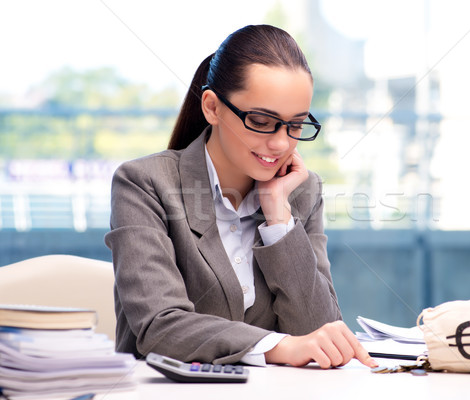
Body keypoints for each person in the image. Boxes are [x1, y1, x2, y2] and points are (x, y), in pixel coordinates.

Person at [105, 24, 377, 369]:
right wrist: (279, 347)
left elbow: (318, 332)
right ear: (212, 107)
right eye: (262, 121)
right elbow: (160, 326)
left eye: (295, 125)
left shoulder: (301, 191)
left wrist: (279, 220)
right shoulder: (144, 183)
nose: (280, 144)